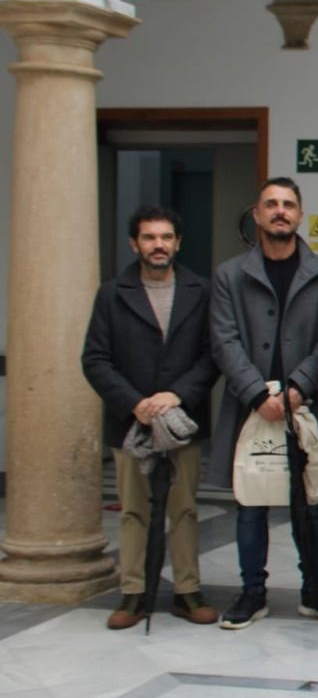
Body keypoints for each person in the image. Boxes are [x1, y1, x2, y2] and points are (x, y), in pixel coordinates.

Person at [210, 178, 318, 630]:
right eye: (271, 204)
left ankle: (314, 589)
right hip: (251, 406)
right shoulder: (230, 274)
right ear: (257, 213)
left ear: (301, 214)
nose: (280, 211)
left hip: (304, 403)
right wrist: (256, 392)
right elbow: (224, 340)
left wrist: (298, 387)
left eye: (289, 204)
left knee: (311, 500)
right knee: (251, 500)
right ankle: (252, 592)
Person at [82, 207, 219, 629]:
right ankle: (133, 593)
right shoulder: (112, 294)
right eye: (148, 237)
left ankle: (187, 591)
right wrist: (134, 402)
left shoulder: (201, 290)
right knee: (134, 511)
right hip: (130, 424)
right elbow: (95, 359)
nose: (158, 245)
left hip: (183, 421)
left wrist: (176, 395)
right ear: (134, 244)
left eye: (165, 237)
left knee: (184, 510)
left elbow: (212, 356)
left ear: (178, 243)